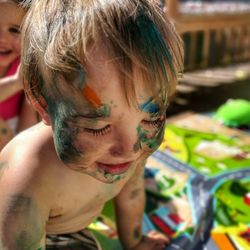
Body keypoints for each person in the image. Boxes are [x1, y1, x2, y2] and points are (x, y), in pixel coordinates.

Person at [0, 0, 183, 249]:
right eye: (97, 127)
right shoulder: (29, 174)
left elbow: (131, 194)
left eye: (152, 118)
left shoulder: (135, 143)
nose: (129, 148)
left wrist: (135, 242)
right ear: (43, 104)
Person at [0, 0, 38, 150]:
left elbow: (27, 127)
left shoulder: (24, 65)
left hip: (13, 133)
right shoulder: (19, 77)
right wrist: (16, 82)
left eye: (14, 30)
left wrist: (17, 149)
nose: (2, 39)